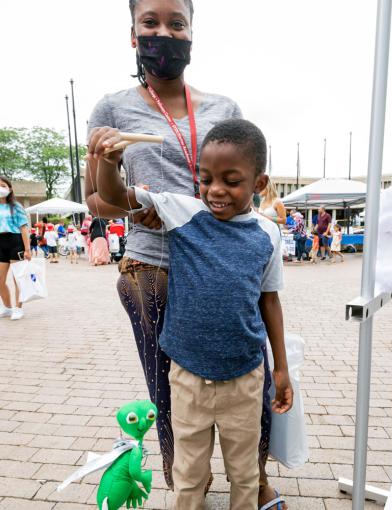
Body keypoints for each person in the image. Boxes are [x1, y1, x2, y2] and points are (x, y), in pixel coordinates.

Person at [85, 2, 286, 508]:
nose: (164, 32)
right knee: (170, 392)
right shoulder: (112, 110)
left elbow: (245, 174)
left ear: (192, 34)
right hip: (153, 267)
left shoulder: (224, 106)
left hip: (227, 263)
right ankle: (186, 488)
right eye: (150, 22)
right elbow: (97, 199)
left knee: (247, 373)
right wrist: (123, 190)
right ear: (132, 34)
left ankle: (253, 477)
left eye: (177, 23)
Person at [0, 175, 31, 321]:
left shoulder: (16, 206)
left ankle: (18, 308)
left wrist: (27, 249)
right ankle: (7, 307)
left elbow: (23, 228)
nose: (0, 188)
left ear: (9, 188)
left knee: (18, 278)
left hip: (15, 241)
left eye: (3, 185)